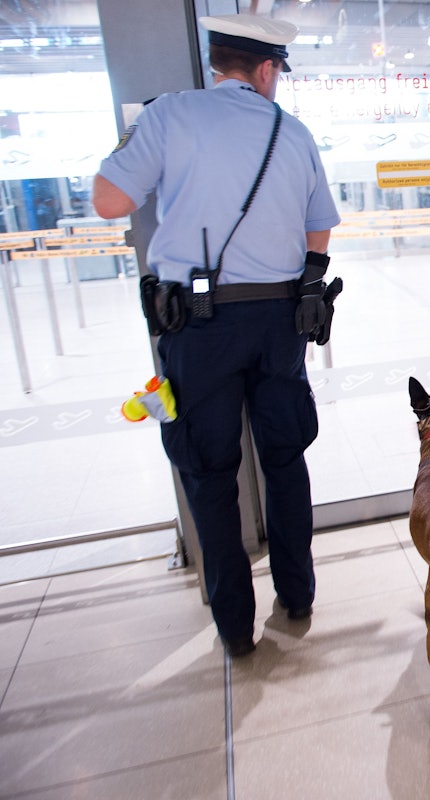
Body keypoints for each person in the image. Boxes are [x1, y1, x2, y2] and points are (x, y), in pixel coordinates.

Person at [91, 14, 341, 658]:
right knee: (285, 461)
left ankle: (234, 626)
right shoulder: (294, 132)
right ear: (264, 70)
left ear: (216, 65)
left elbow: (109, 201)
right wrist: (308, 282)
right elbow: (320, 233)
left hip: (197, 328)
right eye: (279, 71)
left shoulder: (169, 115)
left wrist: (134, 142)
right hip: (281, 321)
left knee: (209, 471)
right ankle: (298, 593)